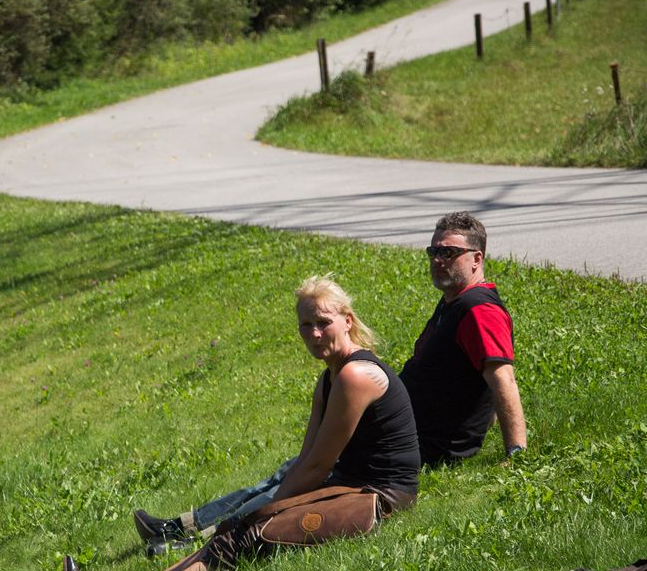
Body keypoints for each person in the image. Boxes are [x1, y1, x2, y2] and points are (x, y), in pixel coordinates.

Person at [133, 212, 527, 551]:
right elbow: (476, 385)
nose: (438, 260)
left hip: (416, 448)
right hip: (413, 435)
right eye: (433, 251)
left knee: (303, 473)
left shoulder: (479, 309)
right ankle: (185, 527)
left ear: (477, 259)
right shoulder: (454, 305)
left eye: (449, 252)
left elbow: (501, 379)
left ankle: (206, 536)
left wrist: (515, 453)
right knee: (292, 470)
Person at [61, 275, 420, 571]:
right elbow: (307, 459)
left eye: (323, 323)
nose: (313, 333)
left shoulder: (355, 376)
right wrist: (257, 511)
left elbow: (316, 467)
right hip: (349, 485)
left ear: (347, 321)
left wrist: (264, 512)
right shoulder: (328, 379)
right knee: (233, 527)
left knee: (245, 535)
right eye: (305, 325)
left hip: (378, 499)